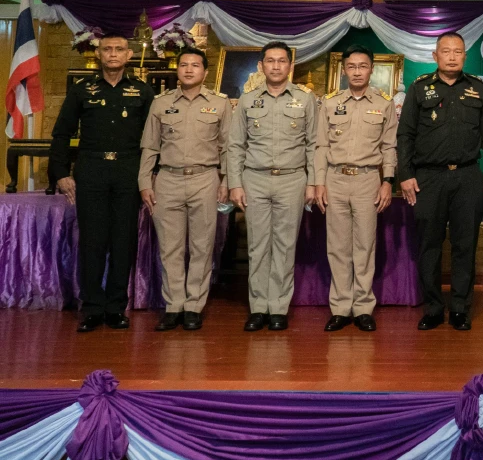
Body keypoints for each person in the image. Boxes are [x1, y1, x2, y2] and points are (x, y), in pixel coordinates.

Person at [50, 32, 155, 332]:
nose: (112, 54)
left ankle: (116, 307)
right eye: (107, 49)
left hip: (128, 171)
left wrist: (150, 175)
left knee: (123, 241)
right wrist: (60, 173)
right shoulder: (82, 90)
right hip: (92, 169)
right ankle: (92, 308)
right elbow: (61, 133)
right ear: (98, 54)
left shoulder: (142, 91)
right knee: (93, 241)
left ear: (128, 56)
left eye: (119, 49)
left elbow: (154, 140)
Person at [397, 31, 483, 332]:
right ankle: (434, 308)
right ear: (435, 55)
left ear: (465, 56)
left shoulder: (478, 88)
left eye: (458, 51)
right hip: (428, 177)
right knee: (429, 245)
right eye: (446, 51)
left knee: (465, 245)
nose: (452, 56)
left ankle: (460, 309)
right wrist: (405, 175)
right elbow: (405, 135)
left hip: (468, 175)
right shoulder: (419, 88)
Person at [137, 46, 231, 332]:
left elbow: (229, 147)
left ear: (205, 72)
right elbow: (150, 145)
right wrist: (144, 182)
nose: (189, 69)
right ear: (177, 70)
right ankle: (173, 305)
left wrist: (227, 181)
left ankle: (194, 306)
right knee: (170, 247)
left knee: (202, 247)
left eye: (195, 65)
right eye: (184, 65)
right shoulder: (160, 103)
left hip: (205, 179)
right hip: (167, 180)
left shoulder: (220, 103)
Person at [227, 41, 318, 333]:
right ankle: (258, 308)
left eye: (282, 61)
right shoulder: (247, 99)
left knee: (284, 245)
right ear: (261, 66)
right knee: (257, 245)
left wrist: (313, 183)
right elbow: (235, 146)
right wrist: (235, 184)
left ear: (290, 66)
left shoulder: (305, 99)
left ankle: (278, 308)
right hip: (254, 179)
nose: (276, 66)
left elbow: (315, 145)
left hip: (292, 180)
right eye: (270, 61)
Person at [314, 45, 398, 334]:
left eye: (363, 66)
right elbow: (321, 146)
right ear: (344, 70)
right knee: (337, 247)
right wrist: (319, 182)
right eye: (352, 66)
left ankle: (363, 307)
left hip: (367, 180)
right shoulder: (329, 103)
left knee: (364, 246)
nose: (358, 71)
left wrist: (388, 181)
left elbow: (389, 146)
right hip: (335, 179)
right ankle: (340, 307)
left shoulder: (384, 104)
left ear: (372, 69)